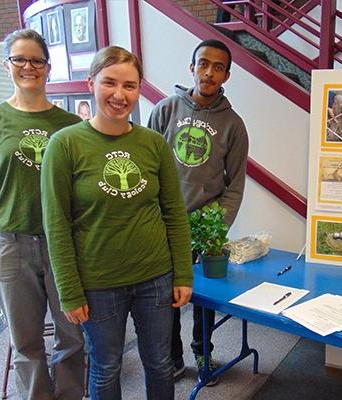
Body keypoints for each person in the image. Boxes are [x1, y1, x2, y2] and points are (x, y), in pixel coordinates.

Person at [41, 45, 193, 400]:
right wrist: (69, 290)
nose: (119, 95)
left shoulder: (153, 144)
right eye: (110, 83)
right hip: (98, 283)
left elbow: (173, 212)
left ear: (139, 89)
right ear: (91, 83)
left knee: (159, 362)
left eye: (130, 85)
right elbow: (57, 225)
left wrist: (182, 273)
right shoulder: (64, 145)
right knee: (106, 367)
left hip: (155, 278)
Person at [0, 29, 85, 400]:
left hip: (62, 247)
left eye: (36, 60)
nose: (28, 67)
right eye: (19, 59)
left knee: (71, 337)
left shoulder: (69, 126)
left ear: (48, 68)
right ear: (7, 65)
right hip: (11, 246)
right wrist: (14, 209)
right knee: (26, 342)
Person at [147, 38, 249, 385]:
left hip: (205, 229)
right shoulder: (164, 110)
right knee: (167, 299)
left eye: (217, 67)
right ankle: (173, 358)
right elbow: (146, 168)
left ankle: (203, 353)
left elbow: (235, 184)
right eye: (203, 64)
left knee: (203, 300)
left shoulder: (233, 124)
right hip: (162, 226)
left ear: (227, 75)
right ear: (191, 67)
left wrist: (215, 227)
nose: (208, 72)